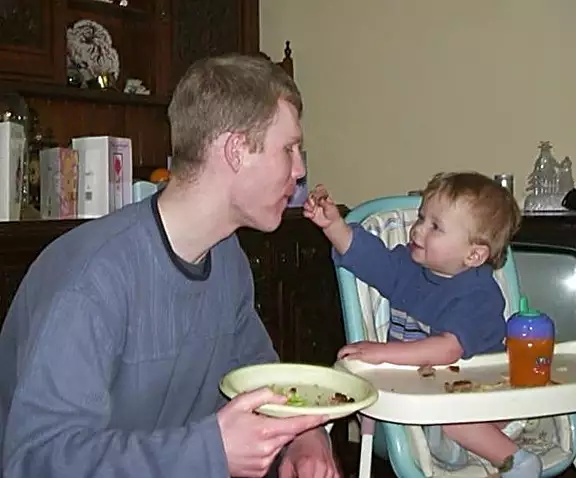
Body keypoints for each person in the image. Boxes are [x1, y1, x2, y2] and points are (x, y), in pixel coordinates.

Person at [0, 54, 339, 478]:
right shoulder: (90, 282)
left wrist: (304, 436)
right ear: (236, 150)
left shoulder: (226, 257)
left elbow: (257, 373)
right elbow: (34, 461)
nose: (300, 169)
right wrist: (208, 451)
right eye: (288, 149)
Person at [304, 172, 543, 477]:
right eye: (421, 218)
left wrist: (383, 352)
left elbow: (447, 349)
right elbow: (366, 256)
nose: (418, 230)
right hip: (420, 400)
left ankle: (515, 460)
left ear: (473, 255)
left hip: (485, 405)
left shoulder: (480, 294)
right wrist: (333, 225)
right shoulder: (407, 268)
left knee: (456, 417)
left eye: (435, 227)